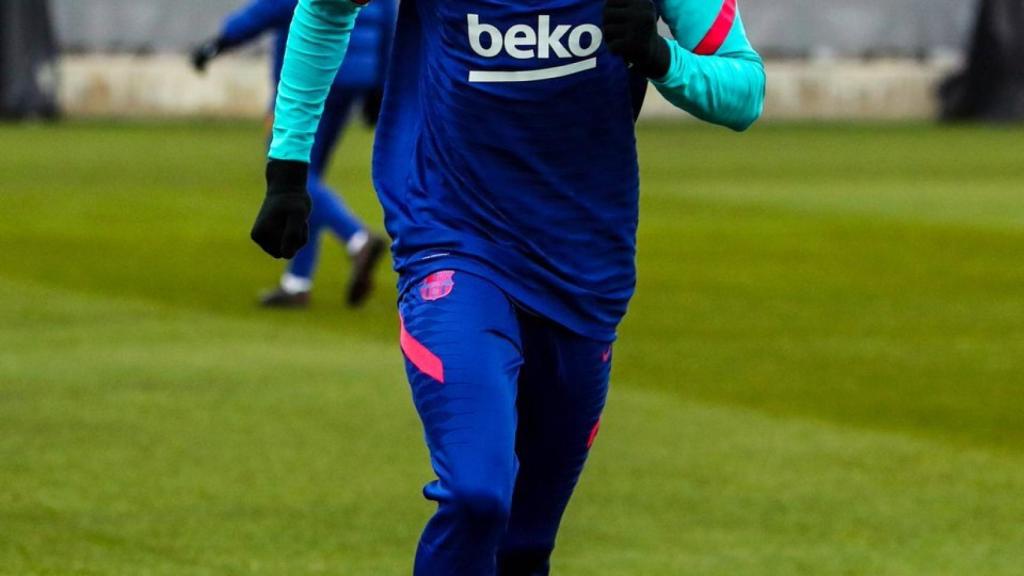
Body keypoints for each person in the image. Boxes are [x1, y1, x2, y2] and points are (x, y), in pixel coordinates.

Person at [251, 0, 764, 572]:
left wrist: (660, 58)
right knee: (476, 494)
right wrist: (287, 167)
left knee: (525, 544)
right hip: (453, 240)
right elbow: (324, 9)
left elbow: (746, 91)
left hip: (585, 270)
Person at [192, 0, 394, 307]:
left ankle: (356, 238)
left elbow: (273, 6)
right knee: (312, 173)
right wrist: (380, 82)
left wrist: (222, 41)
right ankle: (298, 281)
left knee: (295, 171)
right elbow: (390, 16)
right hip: (357, 75)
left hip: (315, 66)